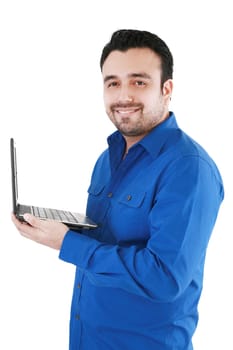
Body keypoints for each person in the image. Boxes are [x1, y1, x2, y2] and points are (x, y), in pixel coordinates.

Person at [12, 29, 224, 350]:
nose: (124, 95)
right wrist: (60, 229)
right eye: (113, 83)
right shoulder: (106, 159)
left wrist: (66, 243)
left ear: (166, 89)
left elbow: (164, 277)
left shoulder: (189, 168)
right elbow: (110, 238)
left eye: (139, 82)